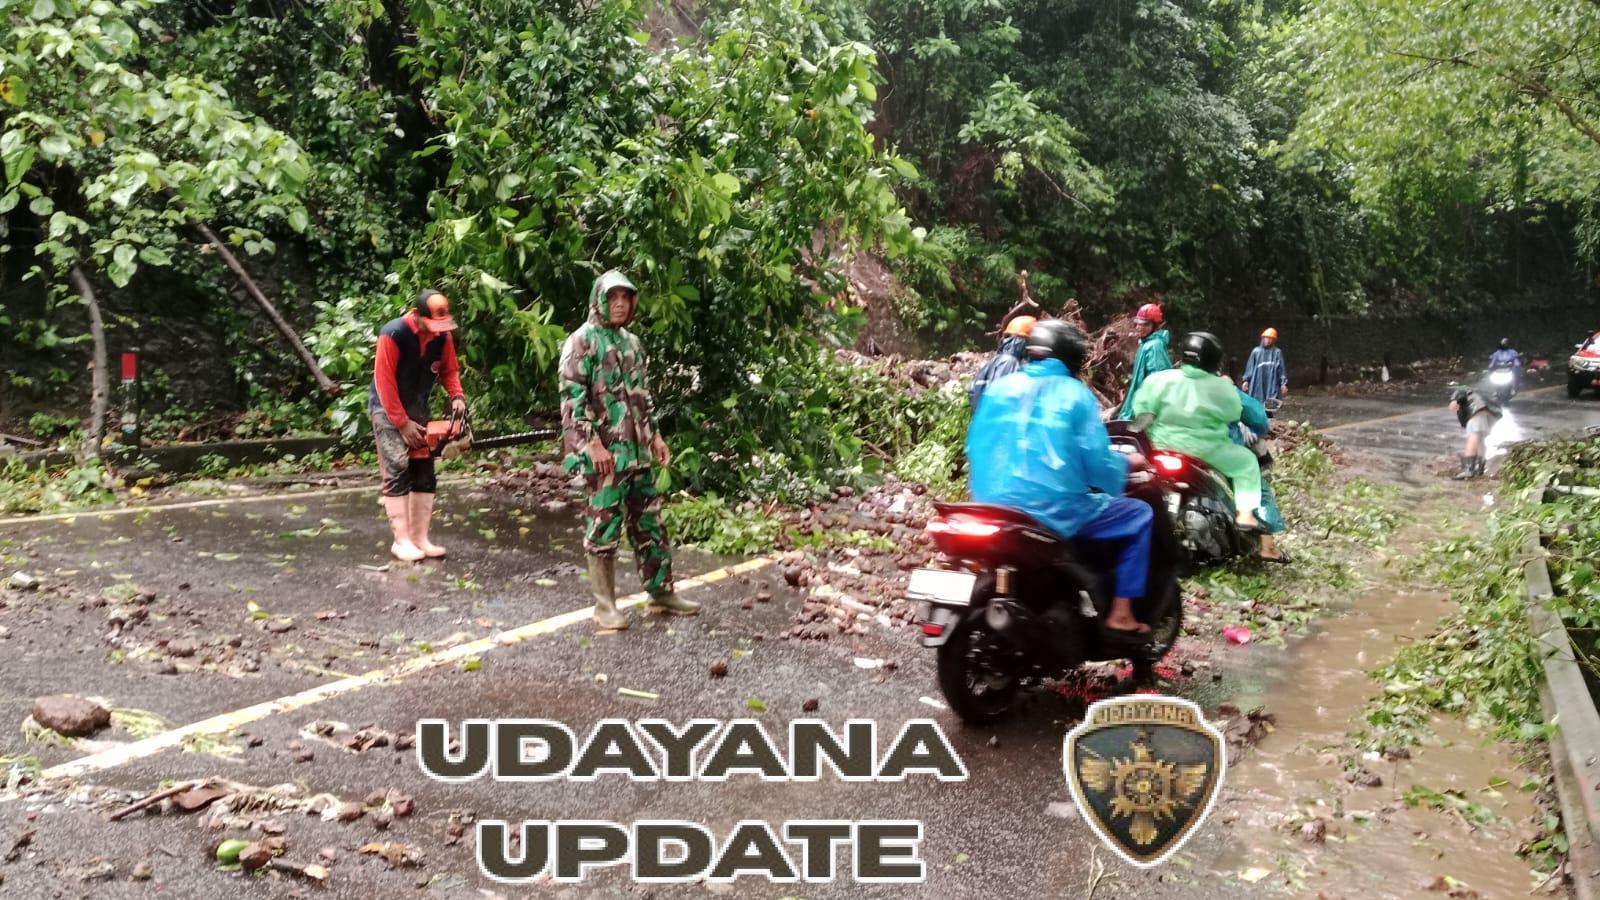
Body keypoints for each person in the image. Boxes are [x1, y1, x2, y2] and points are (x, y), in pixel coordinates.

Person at [966, 319, 1155, 635]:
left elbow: (974, 445)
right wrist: (1126, 465)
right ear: (1074, 357)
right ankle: (1121, 614)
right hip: (1051, 510)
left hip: (988, 504)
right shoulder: (1075, 395)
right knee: (1139, 514)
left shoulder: (1002, 386)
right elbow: (1098, 465)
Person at [560, 270, 699, 630]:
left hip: (637, 454)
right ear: (599, 300)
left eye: (626, 298)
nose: (620, 304)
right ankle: (604, 605)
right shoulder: (581, 342)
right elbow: (572, 400)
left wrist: (654, 436)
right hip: (604, 457)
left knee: (649, 524)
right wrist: (593, 444)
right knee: (603, 527)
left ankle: (661, 592)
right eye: (613, 298)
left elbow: (642, 398)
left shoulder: (632, 343)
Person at [370, 289, 468, 562]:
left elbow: (449, 370)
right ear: (416, 315)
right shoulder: (393, 334)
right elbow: (384, 381)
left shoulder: (442, 337)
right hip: (387, 410)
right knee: (397, 469)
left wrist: (457, 396)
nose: (438, 331)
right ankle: (401, 541)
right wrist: (401, 423)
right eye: (433, 324)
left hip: (419, 408)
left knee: (424, 472)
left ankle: (420, 539)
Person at [1133, 332, 1263, 530]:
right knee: (1246, 463)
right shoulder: (1222, 386)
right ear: (1214, 361)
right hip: (1207, 451)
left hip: (1159, 447)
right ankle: (1245, 515)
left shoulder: (1158, 379)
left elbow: (1141, 410)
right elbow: (1233, 413)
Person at [1230, 387, 1290, 562]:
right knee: (1261, 492)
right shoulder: (1225, 388)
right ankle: (1268, 547)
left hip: (1181, 447)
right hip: (1230, 451)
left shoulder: (1174, 383)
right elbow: (1259, 419)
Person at [1117, 303, 1171, 419]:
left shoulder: (1155, 346)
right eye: (1138, 324)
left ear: (1155, 326)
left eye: (1145, 324)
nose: (1140, 328)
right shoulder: (1145, 344)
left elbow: (1158, 381)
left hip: (1145, 408)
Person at [969, 316, 1036, 408]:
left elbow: (973, 392)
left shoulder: (996, 361)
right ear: (1024, 340)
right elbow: (998, 398)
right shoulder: (1009, 362)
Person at [1449, 384, 1501, 480]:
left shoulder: (1465, 395)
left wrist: (1454, 400)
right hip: (1491, 414)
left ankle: (1469, 470)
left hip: (1478, 411)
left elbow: (1462, 389)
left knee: (1473, 438)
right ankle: (1480, 468)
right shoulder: (1478, 395)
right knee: (1480, 441)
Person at [1242, 327, 1288, 406]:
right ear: (1262, 338)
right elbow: (1250, 367)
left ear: (1273, 340)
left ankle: (1269, 416)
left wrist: (1283, 383)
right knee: (1256, 401)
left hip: (1272, 382)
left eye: (1270, 338)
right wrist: (1246, 380)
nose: (1268, 340)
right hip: (1257, 381)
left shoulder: (1277, 352)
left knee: (1271, 402)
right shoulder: (1256, 352)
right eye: (1266, 338)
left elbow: (1281, 369)